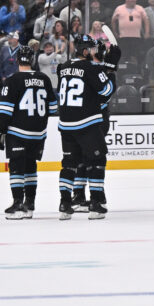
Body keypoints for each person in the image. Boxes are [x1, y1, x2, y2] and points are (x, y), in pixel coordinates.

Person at [0, 44, 56, 219]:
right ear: (33, 59)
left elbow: (5, 111)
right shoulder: (44, 79)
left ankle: (18, 203)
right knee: (30, 167)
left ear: (18, 60)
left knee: (17, 167)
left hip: (18, 132)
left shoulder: (12, 80)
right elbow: (52, 108)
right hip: (39, 133)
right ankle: (30, 204)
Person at [56, 35, 115, 220]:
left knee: (69, 164)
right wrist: (110, 71)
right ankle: (96, 203)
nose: (93, 52)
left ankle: (65, 203)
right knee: (97, 160)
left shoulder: (63, 67)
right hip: (87, 122)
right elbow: (106, 91)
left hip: (65, 124)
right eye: (91, 49)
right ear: (84, 51)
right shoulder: (89, 67)